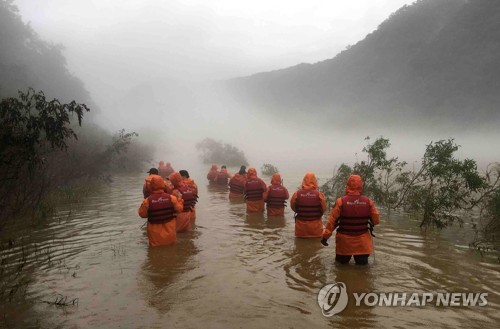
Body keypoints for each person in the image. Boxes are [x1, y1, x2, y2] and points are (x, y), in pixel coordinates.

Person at [321, 175, 380, 265]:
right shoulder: (369, 202)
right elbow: (376, 220)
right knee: (362, 272)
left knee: (340, 269)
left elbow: (331, 222)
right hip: (362, 244)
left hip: (344, 244)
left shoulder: (340, 202)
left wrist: (325, 237)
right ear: (361, 186)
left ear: (347, 186)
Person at [138, 175, 184, 247]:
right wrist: (181, 201)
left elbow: (142, 214)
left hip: (154, 235)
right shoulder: (172, 198)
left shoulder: (147, 201)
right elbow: (179, 209)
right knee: (171, 250)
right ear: (163, 184)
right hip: (170, 232)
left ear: (151, 186)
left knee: (154, 254)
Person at [290, 172, 327, 238]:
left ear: (304, 181)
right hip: (316, 230)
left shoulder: (296, 194)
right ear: (315, 182)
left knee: (299, 248)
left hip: (300, 230)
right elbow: (324, 209)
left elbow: (293, 207)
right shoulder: (319, 194)